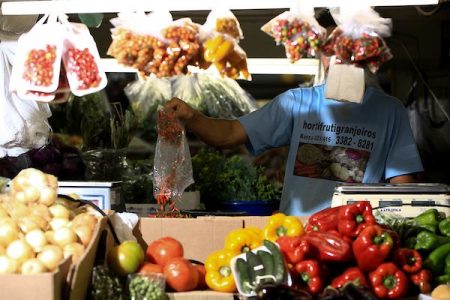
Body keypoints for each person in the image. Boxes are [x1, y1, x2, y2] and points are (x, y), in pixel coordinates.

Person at [164, 16, 423, 216]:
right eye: (329, 49)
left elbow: (403, 184)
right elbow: (230, 134)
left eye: (348, 48)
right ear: (320, 53)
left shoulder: (390, 111)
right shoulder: (297, 103)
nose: (337, 58)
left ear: (365, 52)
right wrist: (192, 117)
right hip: (298, 232)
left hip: (358, 235)